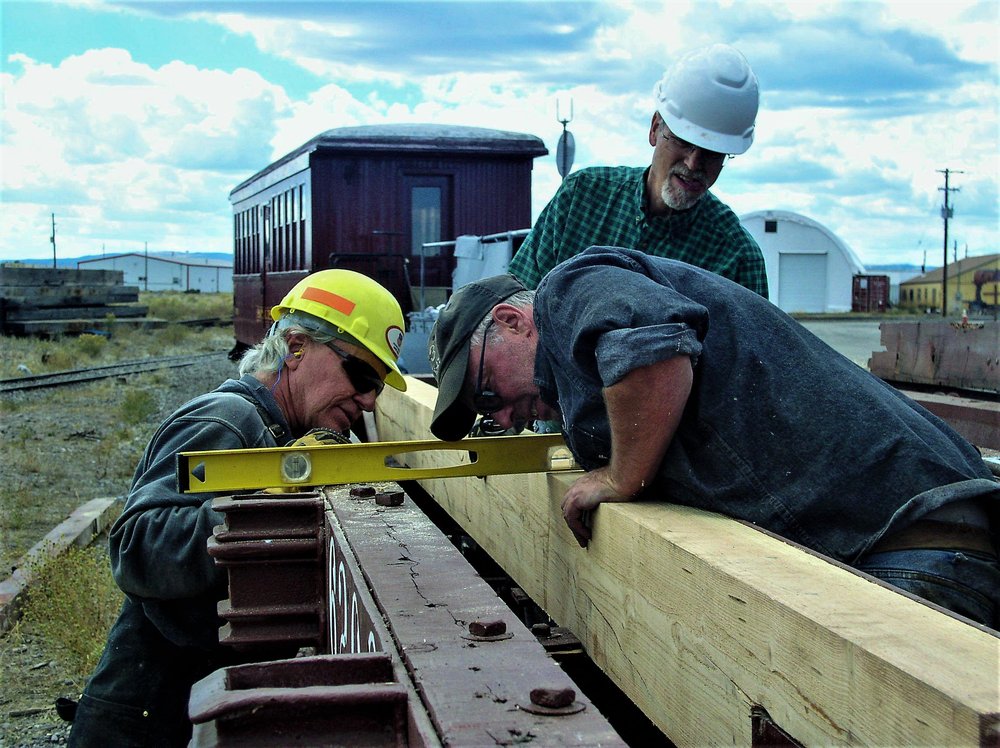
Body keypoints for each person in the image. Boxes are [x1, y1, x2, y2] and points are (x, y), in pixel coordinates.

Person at [427, 246, 1000, 628]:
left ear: (509, 320)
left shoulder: (568, 288)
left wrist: (621, 477)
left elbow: (653, 349)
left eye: (486, 394)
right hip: (911, 545)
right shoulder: (581, 378)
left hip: (917, 547)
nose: (504, 420)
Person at [68, 269, 407, 747]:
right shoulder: (228, 420)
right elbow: (135, 545)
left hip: (193, 705)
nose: (370, 401)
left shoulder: (282, 433)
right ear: (295, 348)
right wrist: (265, 501)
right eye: (361, 375)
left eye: (379, 386)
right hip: (147, 717)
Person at [507, 43, 768, 297]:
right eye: (683, 141)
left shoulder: (737, 257)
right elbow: (515, 302)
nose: (693, 163)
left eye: (713, 153)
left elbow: (751, 342)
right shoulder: (580, 199)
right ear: (655, 128)